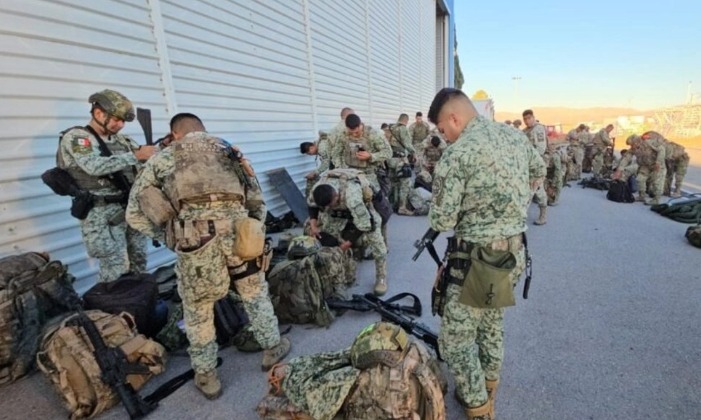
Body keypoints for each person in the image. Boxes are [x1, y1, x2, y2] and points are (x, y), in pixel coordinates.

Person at [126, 113, 290, 399]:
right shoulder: (229, 151)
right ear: (203, 130)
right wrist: (253, 228)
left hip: (195, 240)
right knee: (254, 294)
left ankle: (207, 376)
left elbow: (134, 214)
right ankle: (272, 348)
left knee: (198, 309)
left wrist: (170, 237)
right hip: (240, 234)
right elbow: (256, 198)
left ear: (175, 134)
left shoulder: (165, 157)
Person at [427, 88, 545, 419]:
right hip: (514, 251)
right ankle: (489, 385)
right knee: (491, 322)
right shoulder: (514, 137)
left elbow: (442, 220)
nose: (444, 137)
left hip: (477, 263)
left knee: (455, 341)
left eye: (442, 129)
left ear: (454, 119)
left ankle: (479, 407)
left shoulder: (458, 154)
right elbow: (539, 170)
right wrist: (514, 206)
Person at [56, 89, 157, 283]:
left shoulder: (121, 140)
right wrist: (136, 155)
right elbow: (93, 166)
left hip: (128, 210)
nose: (120, 125)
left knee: (139, 262)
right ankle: (114, 303)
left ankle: (140, 301)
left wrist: (160, 148)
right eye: (117, 119)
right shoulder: (78, 138)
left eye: (123, 121)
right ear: (99, 113)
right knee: (115, 270)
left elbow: (143, 158)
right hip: (101, 215)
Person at [307, 169, 388, 296]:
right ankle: (339, 267)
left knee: (377, 244)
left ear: (336, 196)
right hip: (338, 213)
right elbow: (311, 206)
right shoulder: (316, 189)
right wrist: (313, 226)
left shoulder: (352, 196)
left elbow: (365, 224)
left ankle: (381, 277)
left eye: (331, 204)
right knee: (324, 234)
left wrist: (348, 243)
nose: (329, 207)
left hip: (366, 213)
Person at [613, 134, 666, 205]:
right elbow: (626, 159)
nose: (631, 147)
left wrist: (658, 162)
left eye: (632, 144)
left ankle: (656, 200)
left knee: (657, 182)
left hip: (657, 165)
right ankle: (642, 196)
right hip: (645, 166)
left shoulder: (649, 143)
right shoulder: (633, 149)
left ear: (636, 142)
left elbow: (662, 149)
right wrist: (619, 170)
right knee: (640, 179)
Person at [522, 109, 549, 225]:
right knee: (532, 189)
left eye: (529, 118)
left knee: (536, 189)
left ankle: (543, 215)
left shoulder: (538, 129)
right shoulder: (524, 131)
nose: (527, 121)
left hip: (536, 165)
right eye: (525, 119)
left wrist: (528, 159)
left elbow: (541, 149)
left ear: (533, 117)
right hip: (526, 165)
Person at [387, 114, 416, 215]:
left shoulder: (390, 128)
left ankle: (392, 204)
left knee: (393, 182)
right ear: (406, 120)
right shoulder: (403, 129)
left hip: (390, 159)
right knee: (405, 183)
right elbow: (407, 144)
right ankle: (402, 207)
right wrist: (414, 153)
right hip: (400, 160)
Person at [300, 131, 332, 197]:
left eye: (309, 153)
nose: (310, 155)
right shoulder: (318, 144)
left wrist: (315, 173)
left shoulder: (322, 148)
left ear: (312, 147)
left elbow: (326, 163)